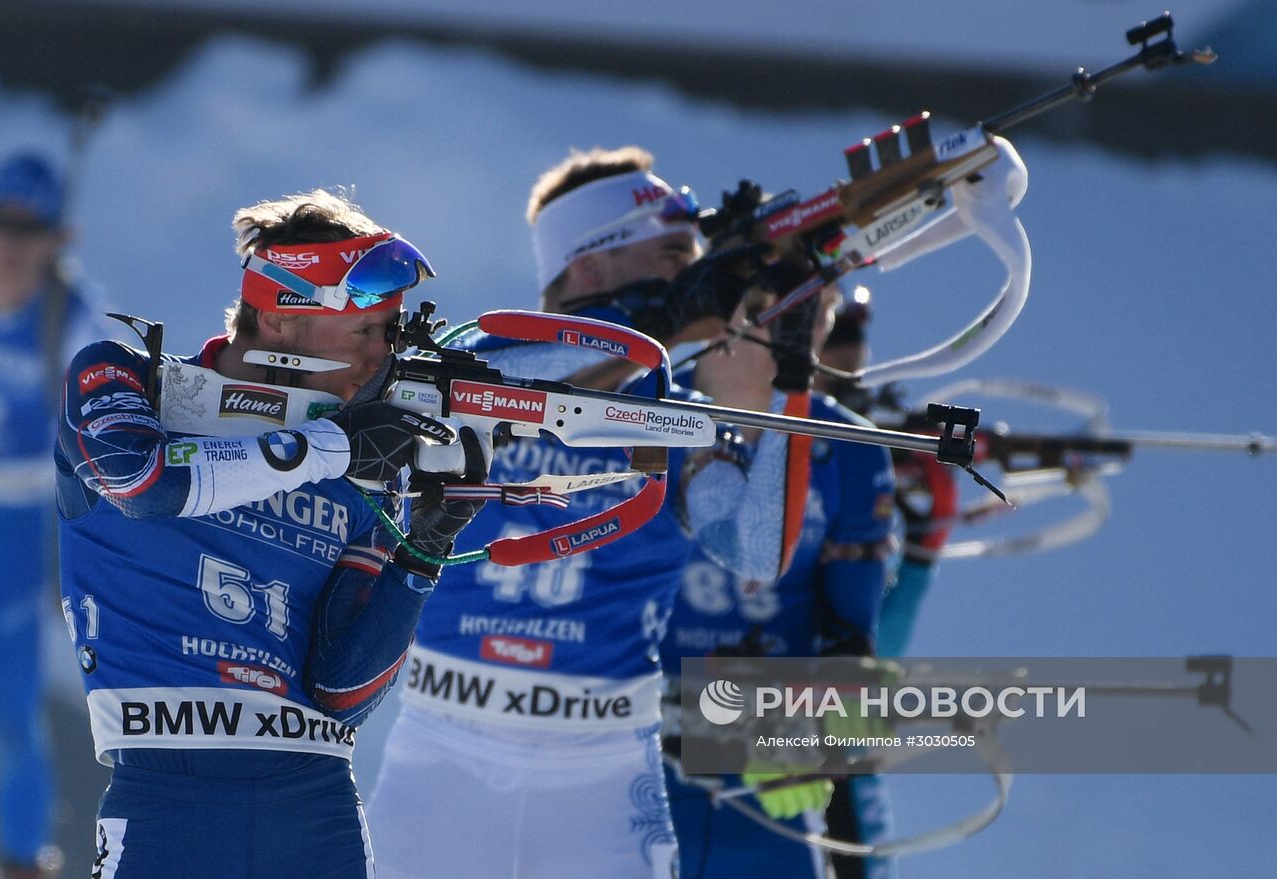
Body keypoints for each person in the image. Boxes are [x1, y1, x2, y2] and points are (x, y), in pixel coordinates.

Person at [367, 147, 815, 879]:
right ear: (588, 267)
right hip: (447, 746)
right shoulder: (477, 365)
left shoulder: (677, 410)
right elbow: (522, 391)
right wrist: (655, 333)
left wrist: (787, 380)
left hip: (602, 762)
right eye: (674, 254)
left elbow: (755, 549)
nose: (692, 279)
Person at [55, 189, 487, 878]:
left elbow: (343, 692)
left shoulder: (367, 459)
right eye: (368, 330)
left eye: (392, 333)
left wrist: (423, 549)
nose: (385, 356)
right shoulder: (125, 378)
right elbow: (144, 482)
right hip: (166, 795)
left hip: (313, 802)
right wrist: (327, 449)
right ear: (284, 318)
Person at [660, 290, 899, 879]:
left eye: (818, 314)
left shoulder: (851, 447)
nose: (801, 332)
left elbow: (851, 646)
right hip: (635, 766)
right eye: (783, 308)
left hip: (770, 785)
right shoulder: (647, 413)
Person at [0, 150, 107, 879]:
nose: (10, 247)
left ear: (58, 238)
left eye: (30, 232)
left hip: (17, 528)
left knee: (8, 705)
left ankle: (24, 859)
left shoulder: (69, 316)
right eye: (0, 225)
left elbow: (95, 426)